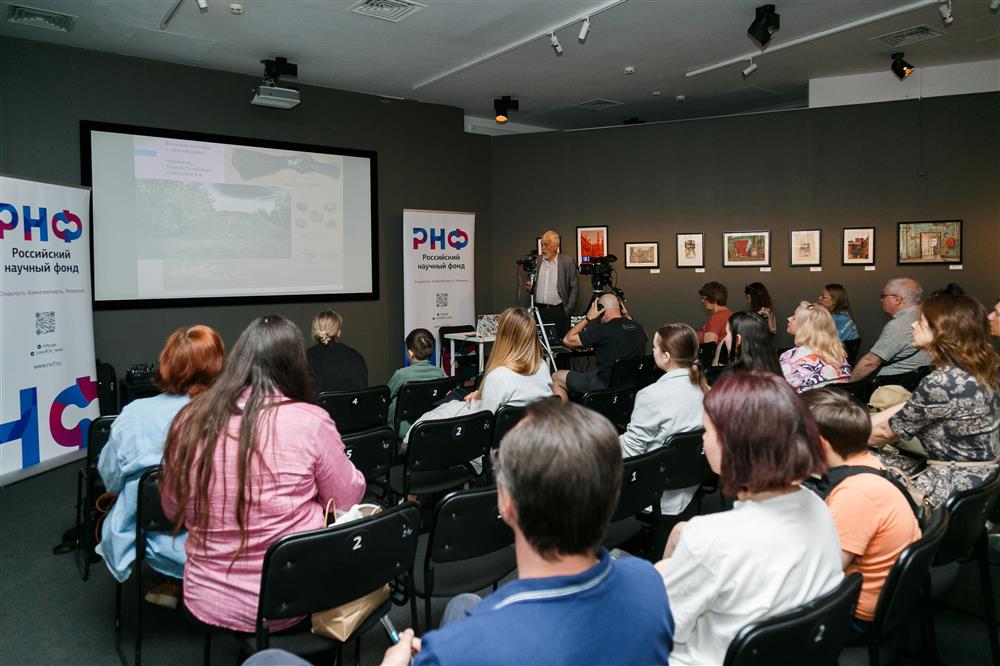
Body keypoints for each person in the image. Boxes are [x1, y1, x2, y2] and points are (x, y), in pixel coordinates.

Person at [382, 400, 675, 666]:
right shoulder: (651, 585)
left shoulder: (456, 652)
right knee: (464, 604)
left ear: (506, 505)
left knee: (462, 606)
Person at [161, 315, 366, 633]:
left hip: (206, 597)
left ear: (237, 361)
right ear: (295, 365)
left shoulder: (189, 419)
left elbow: (173, 508)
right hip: (288, 599)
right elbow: (347, 498)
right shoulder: (310, 421)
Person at [654, 371, 842, 666]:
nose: (703, 439)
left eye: (707, 430)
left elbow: (662, 629)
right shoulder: (817, 505)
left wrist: (655, 576)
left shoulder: (711, 539)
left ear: (733, 444)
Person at [97, 325, 225, 607]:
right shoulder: (229, 416)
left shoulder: (133, 415)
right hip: (219, 540)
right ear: (217, 366)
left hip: (151, 537)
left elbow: (111, 478)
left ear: (167, 363)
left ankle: (173, 582)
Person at [802, 389, 921, 640]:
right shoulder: (870, 466)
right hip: (879, 599)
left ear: (821, 443)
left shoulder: (856, 494)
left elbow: (821, 574)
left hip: (854, 617)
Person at [869, 293, 1000, 509]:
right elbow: (908, 407)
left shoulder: (942, 381)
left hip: (949, 487)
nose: (913, 325)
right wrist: (860, 424)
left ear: (939, 331)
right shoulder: (979, 369)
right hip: (982, 482)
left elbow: (884, 432)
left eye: (920, 321)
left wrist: (839, 439)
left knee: (853, 456)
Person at [403, 307, 552, 450]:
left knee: (443, 410)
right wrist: (481, 394)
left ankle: (408, 445)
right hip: (533, 444)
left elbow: (483, 425)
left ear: (503, 337)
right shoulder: (542, 367)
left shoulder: (498, 377)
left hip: (491, 450)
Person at [620, 324, 707, 515]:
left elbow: (632, 453)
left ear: (666, 356)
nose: (652, 351)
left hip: (655, 494)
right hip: (691, 486)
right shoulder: (705, 389)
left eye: (654, 347)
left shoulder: (651, 395)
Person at [552, 293, 645, 400]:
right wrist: (627, 316)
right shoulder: (637, 327)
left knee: (557, 376)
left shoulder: (603, 330)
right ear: (620, 308)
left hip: (604, 386)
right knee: (594, 373)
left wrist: (588, 318)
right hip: (629, 386)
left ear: (600, 309)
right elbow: (645, 337)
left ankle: (564, 412)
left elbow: (567, 340)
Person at [850, 278, 931, 381]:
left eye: (883, 296)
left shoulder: (899, 325)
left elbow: (870, 362)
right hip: (915, 380)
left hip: (891, 384)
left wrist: (848, 385)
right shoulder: (928, 316)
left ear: (897, 299)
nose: (881, 300)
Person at [780, 301, 851, 392]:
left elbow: (780, 392)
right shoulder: (840, 357)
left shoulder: (790, 359)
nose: (788, 318)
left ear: (804, 327)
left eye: (794, 318)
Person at [387, 328, 445, 436]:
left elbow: (387, 396)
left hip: (403, 429)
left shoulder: (401, 374)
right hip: (428, 424)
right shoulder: (439, 373)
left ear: (410, 353)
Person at [524, 230, 579, 338]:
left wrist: (568, 310)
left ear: (555, 246)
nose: (543, 248)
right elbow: (530, 281)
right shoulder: (537, 261)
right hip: (538, 311)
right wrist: (530, 286)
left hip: (558, 312)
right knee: (538, 343)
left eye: (546, 245)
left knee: (560, 343)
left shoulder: (567, 262)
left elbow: (575, 288)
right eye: (542, 244)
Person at [306, 310, 368, 393]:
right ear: (338, 332)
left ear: (315, 333)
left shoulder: (303, 359)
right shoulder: (355, 357)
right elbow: (363, 394)